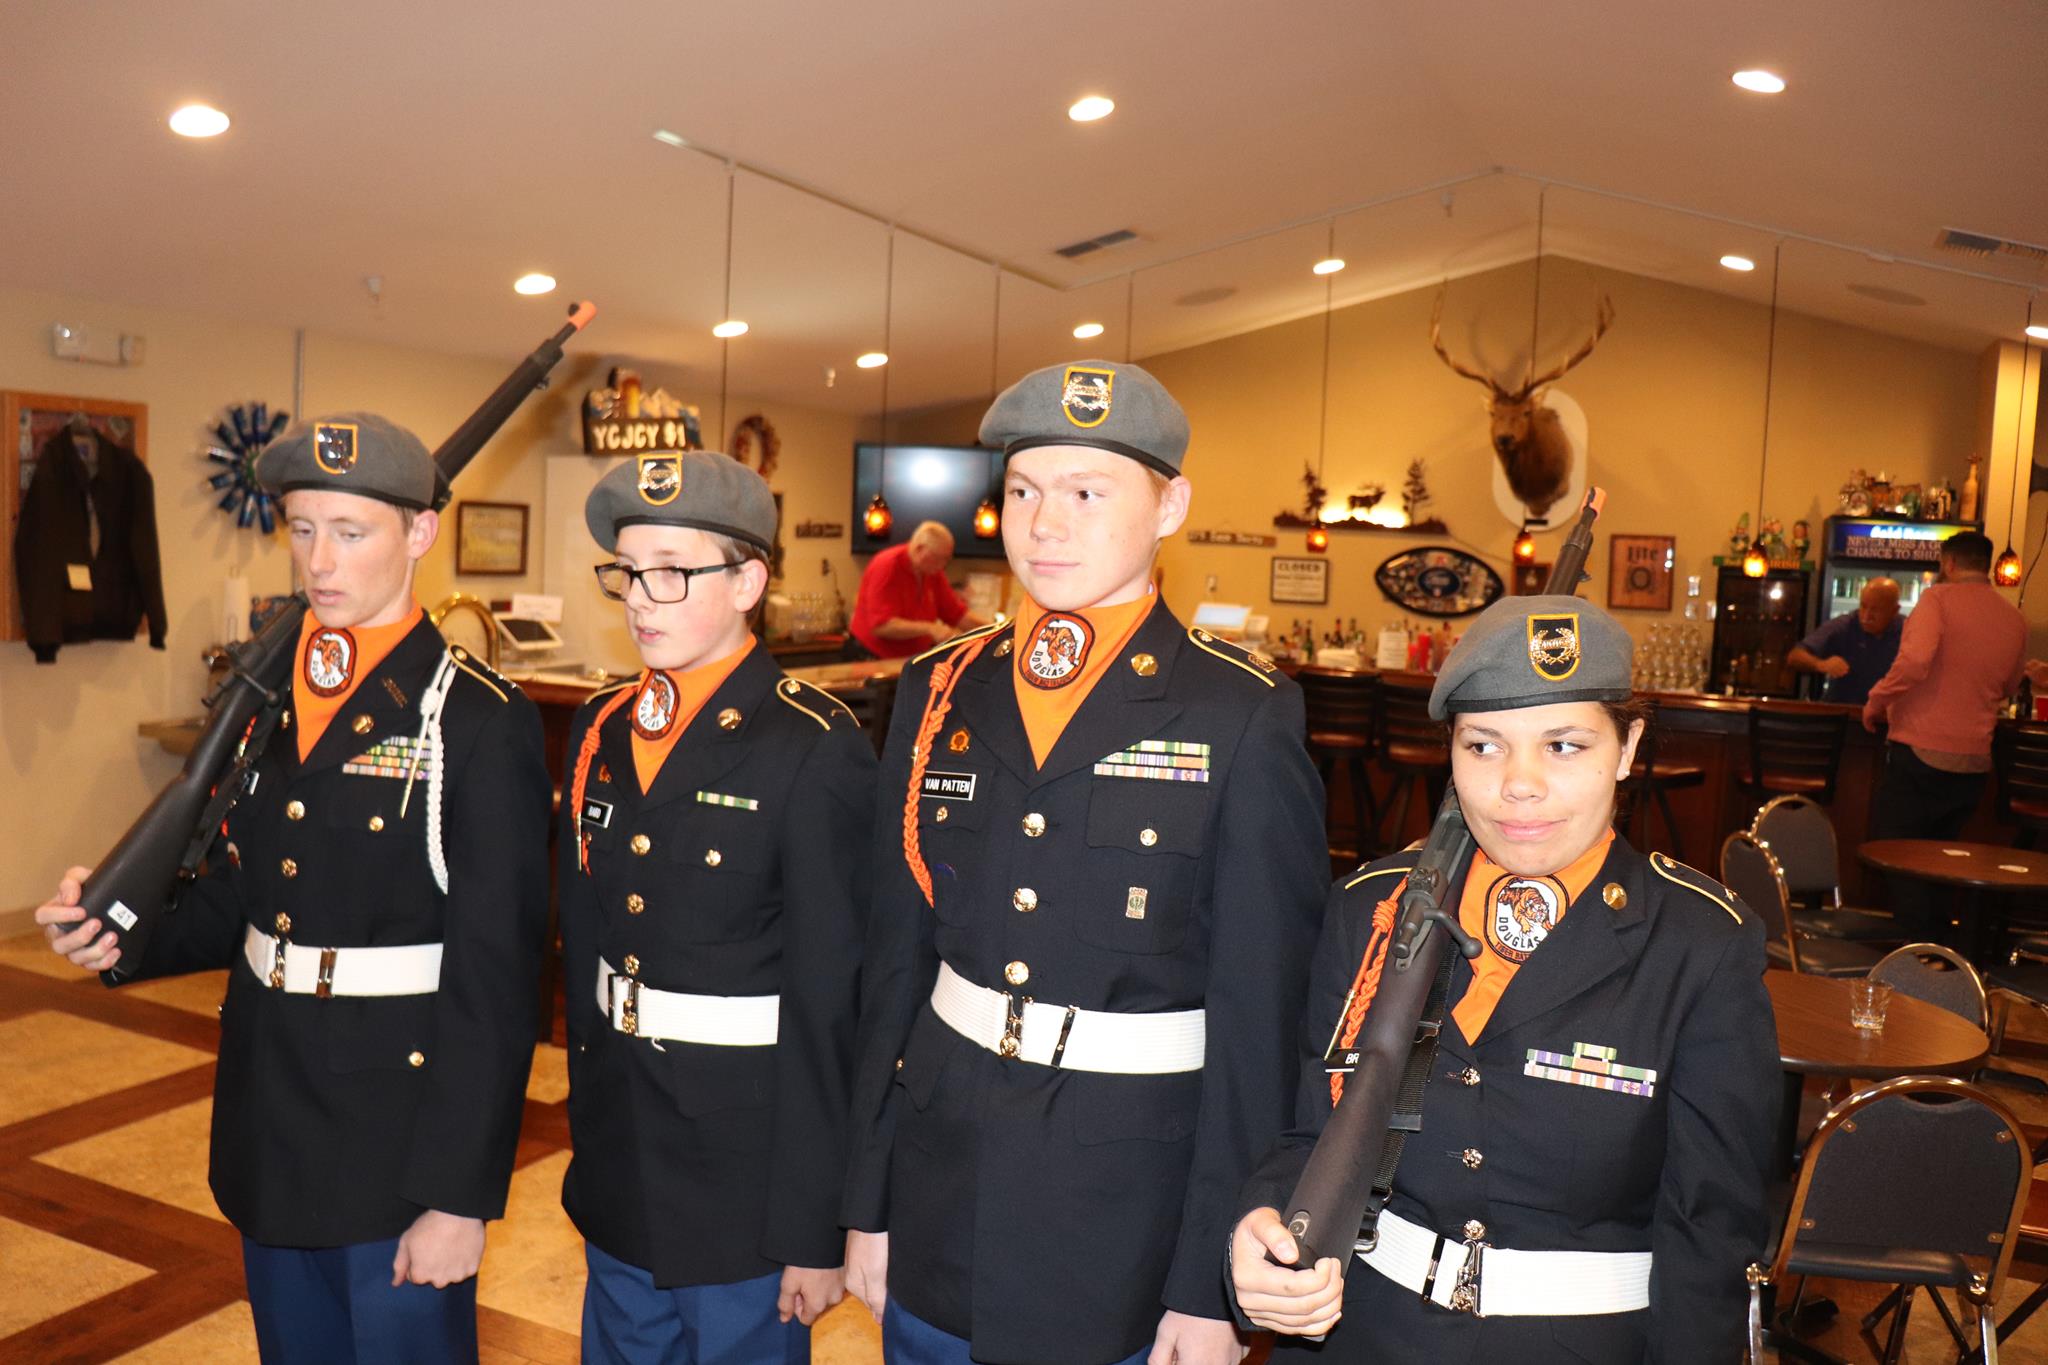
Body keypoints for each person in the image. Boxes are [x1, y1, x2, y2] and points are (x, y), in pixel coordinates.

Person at [35, 413, 552, 1364]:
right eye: (303, 527)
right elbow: (245, 893)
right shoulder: (271, 697)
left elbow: (497, 985)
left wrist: (457, 1196)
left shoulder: (475, 718)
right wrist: (119, 929)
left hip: (395, 1148)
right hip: (269, 1123)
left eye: (350, 532)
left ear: (420, 533)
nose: (319, 560)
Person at [840, 360, 1329, 1365]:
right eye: (1023, 491)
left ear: (1169, 507)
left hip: (1120, 1217)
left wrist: (1209, 1284)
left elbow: (1258, 1021)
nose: (1044, 524)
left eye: (1086, 493)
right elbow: (894, 964)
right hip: (938, 1180)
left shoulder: (1239, 711)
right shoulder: (940, 686)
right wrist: (866, 1198)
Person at [1229, 594, 1778, 1362]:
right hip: (1366, 1334)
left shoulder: (1700, 943)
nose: (1519, 783)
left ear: (1627, 748)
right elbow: (1308, 1133)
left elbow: (1710, 1235)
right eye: (1483, 745)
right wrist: (1258, 1227)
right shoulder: (1373, 908)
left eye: (1563, 745)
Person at [560, 450, 876, 1362]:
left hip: (745, 1179)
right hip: (621, 1147)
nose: (640, 598)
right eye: (628, 571)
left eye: (672, 571)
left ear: (748, 582)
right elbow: (586, 944)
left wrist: (815, 1223)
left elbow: (831, 1005)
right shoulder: (601, 726)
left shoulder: (813, 743)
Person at [1862, 530, 2027, 933]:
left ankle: (1915, 950)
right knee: (1943, 857)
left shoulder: (1936, 600)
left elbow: (1915, 662)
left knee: (1897, 851)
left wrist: (1877, 699)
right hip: (1973, 762)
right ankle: (1939, 951)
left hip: (1920, 750)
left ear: (1949, 563)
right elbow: (2010, 685)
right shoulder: (2012, 617)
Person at [848, 520, 991, 659]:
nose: (942, 565)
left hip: (905, 659)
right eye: (937, 558)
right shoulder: (887, 566)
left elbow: (957, 615)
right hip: (870, 657)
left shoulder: (932, 571)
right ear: (919, 549)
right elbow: (881, 626)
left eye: (946, 560)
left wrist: (995, 630)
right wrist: (930, 628)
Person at [1786, 576, 1901, 704]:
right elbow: (1795, 656)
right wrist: (1821, 664)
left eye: (1875, 610)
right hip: (1843, 711)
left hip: (1888, 713)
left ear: (1894, 611)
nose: (1866, 616)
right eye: (1863, 606)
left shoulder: (1907, 631)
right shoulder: (1844, 625)